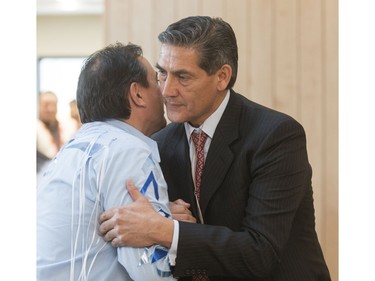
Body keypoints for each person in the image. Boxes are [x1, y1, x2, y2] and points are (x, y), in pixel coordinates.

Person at [98, 16, 332, 281]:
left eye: (182, 77)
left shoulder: (276, 135)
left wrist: (164, 229)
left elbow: (260, 252)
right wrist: (163, 212)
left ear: (222, 77)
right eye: (162, 73)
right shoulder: (159, 142)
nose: (166, 90)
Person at [37, 42, 177, 281]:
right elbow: (152, 273)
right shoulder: (128, 151)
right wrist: (169, 232)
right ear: (138, 94)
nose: (165, 91)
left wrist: (162, 216)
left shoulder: (72, 150)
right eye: (157, 80)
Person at [36, 91, 70, 173]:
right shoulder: (36, 128)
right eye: (46, 105)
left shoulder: (66, 127)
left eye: (53, 105)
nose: (50, 109)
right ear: (39, 106)